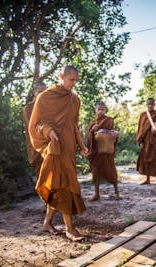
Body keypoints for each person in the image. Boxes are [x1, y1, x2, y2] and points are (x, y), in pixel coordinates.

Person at [29, 65, 89, 242]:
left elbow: (74, 126)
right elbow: (35, 126)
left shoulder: (75, 100)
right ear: (61, 76)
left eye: (76, 80)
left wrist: (82, 145)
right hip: (54, 149)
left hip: (69, 149)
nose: (74, 84)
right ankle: (70, 228)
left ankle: (47, 223)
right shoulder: (45, 97)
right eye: (71, 80)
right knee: (63, 186)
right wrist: (48, 131)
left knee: (57, 185)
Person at [87, 101, 119, 201]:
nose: (100, 111)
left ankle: (117, 192)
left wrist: (99, 129)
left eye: (102, 109)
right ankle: (97, 194)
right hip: (96, 152)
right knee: (96, 172)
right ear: (95, 110)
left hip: (106, 151)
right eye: (98, 109)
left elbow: (110, 130)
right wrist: (92, 130)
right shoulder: (92, 122)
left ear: (105, 110)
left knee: (111, 171)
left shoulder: (109, 120)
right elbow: (89, 137)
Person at [136, 98, 156, 185]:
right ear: (146, 105)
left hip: (154, 141)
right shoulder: (143, 115)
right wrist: (140, 141)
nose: (150, 106)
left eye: (152, 104)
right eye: (149, 104)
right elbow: (140, 128)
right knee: (145, 159)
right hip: (145, 141)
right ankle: (147, 179)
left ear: (154, 104)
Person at [23, 81, 47, 176]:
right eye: (40, 92)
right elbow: (34, 127)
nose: (43, 95)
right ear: (34, 93)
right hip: (37, 150)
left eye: (45, 93)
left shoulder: (50, 107)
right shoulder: (28, 109)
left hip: (53, 149)